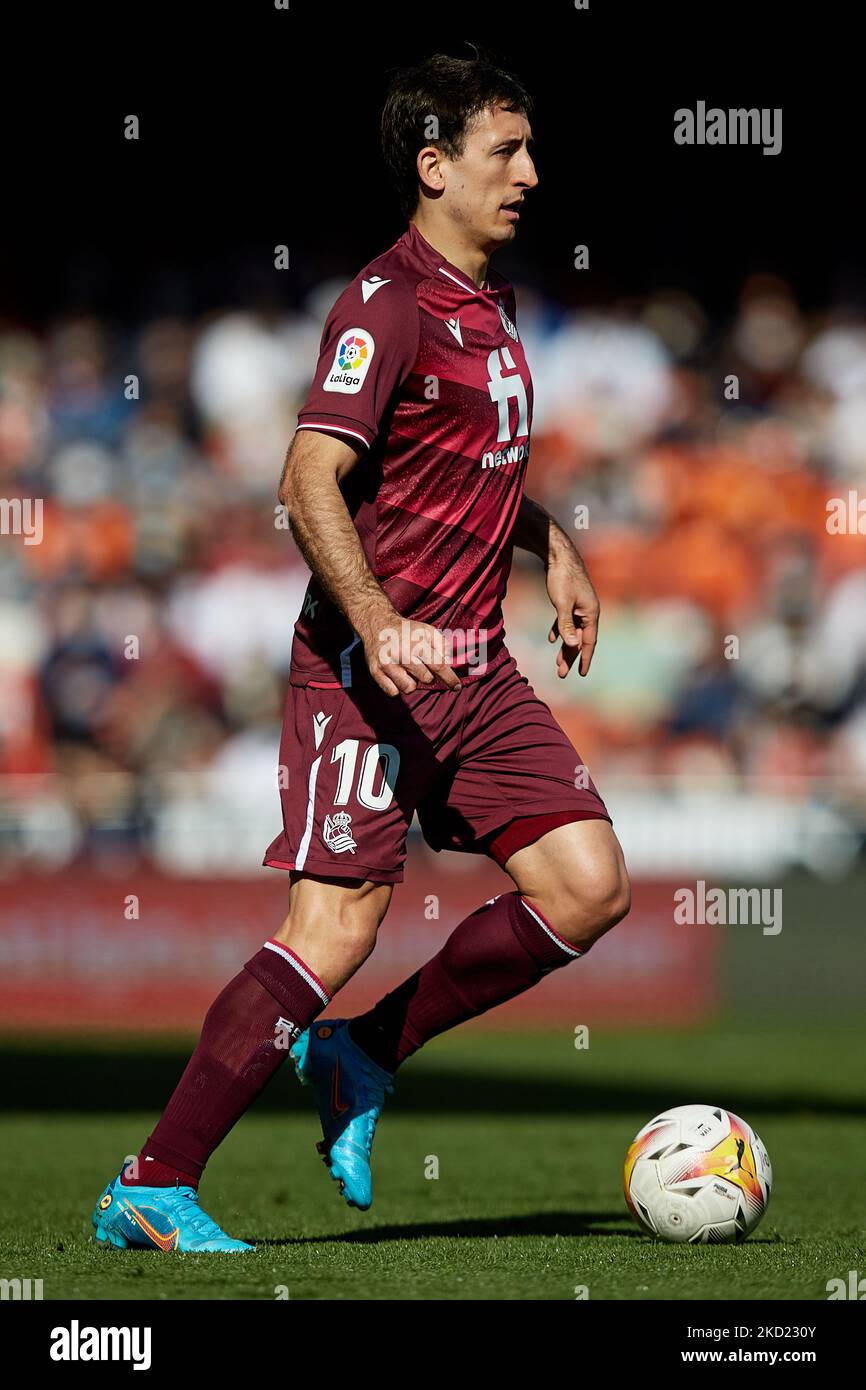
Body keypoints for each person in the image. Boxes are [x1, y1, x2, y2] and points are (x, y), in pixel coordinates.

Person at [91, 47, 630, 1253]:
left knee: (589, 885)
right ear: (433, 166)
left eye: (529, 148)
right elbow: (308, 475)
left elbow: (461, 467)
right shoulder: (383, 305)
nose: (530, 174)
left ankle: (359, 1052)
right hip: (365, 672)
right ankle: (152, 1180)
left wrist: (559, 550)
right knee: (332, 929)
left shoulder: (483, 302)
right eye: (506, 152)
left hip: (472, 667)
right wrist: (379, 623)